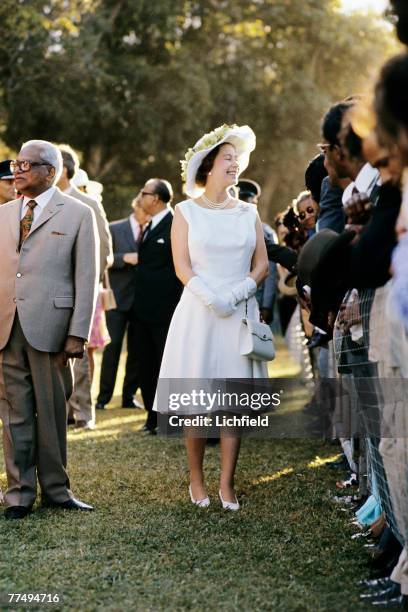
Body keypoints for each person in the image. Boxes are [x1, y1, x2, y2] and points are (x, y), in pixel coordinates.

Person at [154, 124, 269, 510]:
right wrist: (211, 297)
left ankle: (227, 484)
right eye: (227, 159)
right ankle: (197, 481)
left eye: (237, 159)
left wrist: (235, 294)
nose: (235, 165)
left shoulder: (248, 212)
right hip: (198, 314)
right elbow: (182, 267)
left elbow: (262, 266)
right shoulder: (184, 212)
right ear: (208, 165)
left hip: (238, 312)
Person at [0, 139, 99, 519]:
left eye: (27, 164)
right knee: (14, 414)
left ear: (50, 172)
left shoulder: (78, 213)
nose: (18, 170)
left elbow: (86, 277)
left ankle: (57, 491)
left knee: (54, 411)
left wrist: (78, 333)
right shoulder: (5, 213)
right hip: (7, 328)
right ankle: (19, 495)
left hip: (54, 331)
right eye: (16, 163)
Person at [57, 144, 113, 428]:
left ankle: (83, 413)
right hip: (50, 293)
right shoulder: (42, 203)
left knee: (79, 353)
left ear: (63, 170)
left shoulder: (89, 203)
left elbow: (105, 248)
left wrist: (88, 280)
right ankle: (63, 411)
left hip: (81, 291)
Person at [131, 178, 183, 433]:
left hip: (166, 311)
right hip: (141, 310)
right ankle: (152, 418)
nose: (140, 197)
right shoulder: (149, 225)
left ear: (156, 198)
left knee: (167, 365)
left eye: (144, 192)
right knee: (146, 364)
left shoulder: (175, 224)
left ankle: (170, 419)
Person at [96, 197, 151, 410]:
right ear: (136, 207)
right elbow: (104, 257)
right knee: (112, 350)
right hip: (117, 300)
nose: (147, 216)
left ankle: (128, 397)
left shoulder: (153, 229)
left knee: (136, 353)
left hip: (141, 301)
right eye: (144, 211)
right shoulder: (114, 228)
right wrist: (124, 258)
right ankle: (103, 398)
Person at [236, 178, 277, 324]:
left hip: (256, 298)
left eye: (251, 203)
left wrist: (267, 305)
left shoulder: (265, 232)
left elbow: (270, 272)